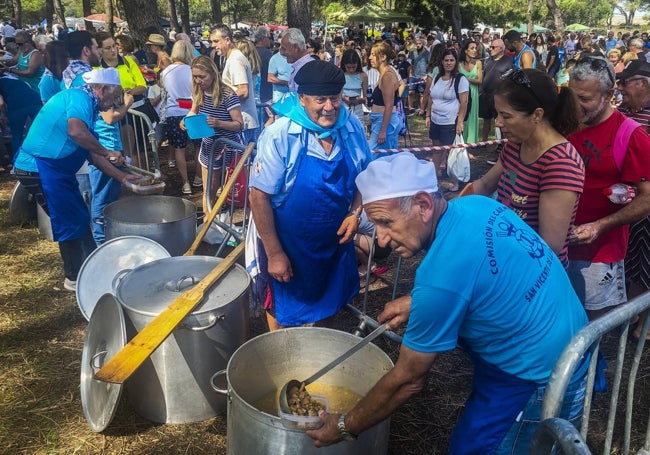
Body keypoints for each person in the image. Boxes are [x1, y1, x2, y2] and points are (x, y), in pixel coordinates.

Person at [306, 152, 589, 453]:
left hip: (540, 374)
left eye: (386, 223)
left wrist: (343, 426)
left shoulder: (439, 279)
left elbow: (409, 380)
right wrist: (417, 300)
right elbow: (484, 273)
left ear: (423, 205)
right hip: (574, 340)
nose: (382, 239)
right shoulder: (474, 205)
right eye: (376, 225)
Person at [247, 59, 371, 331]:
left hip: (335, 240)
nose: (329, 107)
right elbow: (259, 197)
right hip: (288, 241)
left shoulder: (351, 128)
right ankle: (281, 355)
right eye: (320, 99)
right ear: (302, 98)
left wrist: (355, 213)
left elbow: (364, 175)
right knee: (282, 304)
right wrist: (275, 253)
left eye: (335, 98)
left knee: (331, 298)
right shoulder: (281, 134)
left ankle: (319, 348)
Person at [13, 68, 138, 290]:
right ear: (101, 89)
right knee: (69, 220)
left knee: (78, 216)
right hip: (39, 167)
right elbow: (77, 133)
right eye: (114, 96)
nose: (114, 103)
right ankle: (75, 277)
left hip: (56, 169)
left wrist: (122, 177)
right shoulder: (79, 98)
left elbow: (92, 153)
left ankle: (91, 266)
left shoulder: (87, 103)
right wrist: (107, 151)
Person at [468, 69, 584, 268]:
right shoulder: (516, 144)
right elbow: (485, 184)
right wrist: (446, 211)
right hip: (507, 262)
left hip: (534, 276)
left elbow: (550, 245)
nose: (498, 123)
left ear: (537, 115)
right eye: (498, 114)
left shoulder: (560, 163)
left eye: (506, 116)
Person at [567, 56, 650, 319]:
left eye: (585, 98)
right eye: (572, 96)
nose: (576, 106)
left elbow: (648, 198)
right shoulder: (564, 122)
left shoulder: (631, 135)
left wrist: (599, 226)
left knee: (588, 324)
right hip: (556, 242)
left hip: (598, 251)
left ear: (609, 94)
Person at [185, 56, 244, 213]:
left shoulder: (228, 94)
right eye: (195, 76)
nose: (198, 80)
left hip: (230, 148)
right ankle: (207, 222)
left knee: (230, 191)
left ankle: (224, 222)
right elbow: (193, 111)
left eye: (202, 76)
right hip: (209, 146)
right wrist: (186, 120)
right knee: (209, 189)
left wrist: (219, 123)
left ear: (212, 73)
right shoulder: (199, 92)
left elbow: (239, 124)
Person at [617, 62, 650, 340]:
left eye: (625, 82)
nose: (621, 88)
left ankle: (645, 324)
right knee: (633, 255)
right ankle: (633, 311)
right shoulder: (623, 111)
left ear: (643, 84)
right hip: (628, 197)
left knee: (648, 258)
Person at [423, 48, 469, 191]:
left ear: (455, 62)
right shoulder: (437, 78)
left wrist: (460, 122)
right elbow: (431, 97)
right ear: (442, 62)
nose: (449, 63)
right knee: (437, 151)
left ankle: (454, 180)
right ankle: (434, 179)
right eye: (446, 60)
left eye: (451, 60)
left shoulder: (461, 79)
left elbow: (464, 102)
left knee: (451, 153)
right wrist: (428, 115)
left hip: (450, 122)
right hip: (436, 121)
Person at [209, 25, 259, 144]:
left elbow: (243, 91)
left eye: (216, 41)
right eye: (211, 42)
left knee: (242, 161)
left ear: (227, 40)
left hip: (243, 122)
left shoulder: (235, 60)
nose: (212, 45)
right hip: (243, 121)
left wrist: (219, 101)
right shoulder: (233, 58)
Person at [161, 40, 195, 195]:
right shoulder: (192, 70)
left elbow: (164, 89)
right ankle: (199, 178)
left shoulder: (166, 71)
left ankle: (185, 182)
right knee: (198, 146)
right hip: (193, 111)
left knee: (179, 150)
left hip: (173, 113)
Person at [368, 40, 401, 150]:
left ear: (383, 57)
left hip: (384, 122)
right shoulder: (385, 73)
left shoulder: (387, 76)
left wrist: (383, 130)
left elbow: (389, 105)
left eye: (373, 55)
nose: (370, 58)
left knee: (372, 157)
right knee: (387, 160)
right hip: (380, 120)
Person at [479, 38, 513, 142]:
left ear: (501, 49)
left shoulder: (508, 61)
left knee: (499, 120)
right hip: (486, 95)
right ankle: (484, 141)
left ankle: (501, 143)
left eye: (493, 47)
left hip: (498, 95)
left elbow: (509, 78)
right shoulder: (488, 60)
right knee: (486, 119)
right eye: (490, 46)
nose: (490, 49)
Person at [458, 40, 482, 144]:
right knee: (462, 116)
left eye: (475, 48)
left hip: (474, 93)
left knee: (471, 118)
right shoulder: (459, 64)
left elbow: (480, 80)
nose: (474, 50)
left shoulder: (478, 63)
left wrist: (466, 79)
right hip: (462, 93)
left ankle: (470, 143)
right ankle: (460, 141)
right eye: (472, 48)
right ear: (466, 50)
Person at [340, 48, 367, 120]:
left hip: (358, 109)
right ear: (344, 64)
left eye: (353, 67)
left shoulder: (363, 76)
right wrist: (344, 98)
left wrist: (359, 100)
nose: (351, 70)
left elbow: (366, 97)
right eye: (348, 67)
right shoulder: (340, 75)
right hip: (343, 108)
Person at [408, 38, 429, 112]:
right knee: (410, 92)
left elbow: (429, 65)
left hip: (423, 76)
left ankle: (421, 109)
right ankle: (410, 108)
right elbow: (411, 64)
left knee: (421, 94)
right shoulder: (413, 53)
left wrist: (426, 75)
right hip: (413, 75)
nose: (418, 45)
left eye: (419, 44)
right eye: (417, 44)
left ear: (423, 44)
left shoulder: (427, 53)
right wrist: (410, 73)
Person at [253, 27, 273, 104]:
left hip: (254, 93)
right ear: (263, 38)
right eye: (269, 37)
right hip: (266, 93)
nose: (270, 40)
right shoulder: (267, 53)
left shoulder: (250, 52)